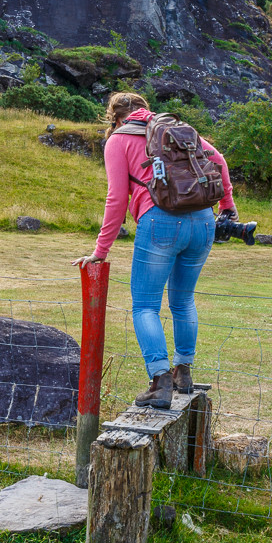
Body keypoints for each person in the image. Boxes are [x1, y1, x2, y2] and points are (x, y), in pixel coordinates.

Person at [72, 92, 239, 409]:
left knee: (145, 306)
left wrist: (101, 250)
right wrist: (228, 209)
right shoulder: (176, 129)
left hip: (159, 222)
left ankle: (160, 381)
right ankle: (183, 372)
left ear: (115, 117)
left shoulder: (118, 141)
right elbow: (218, 161)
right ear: (145, 109)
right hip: (204, 221)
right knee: (183, 299)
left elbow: (117, 199)